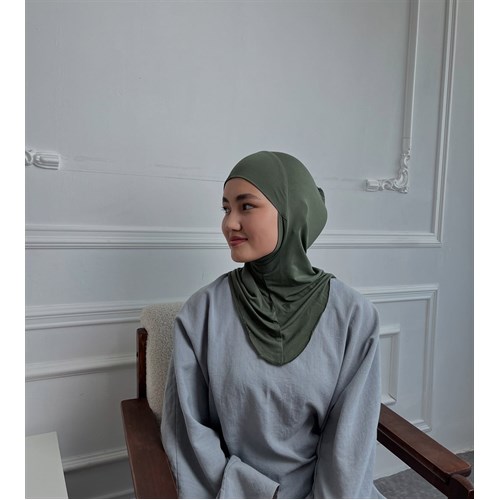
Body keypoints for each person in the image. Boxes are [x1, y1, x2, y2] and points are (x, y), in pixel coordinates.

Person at [160, 151, 383, 498]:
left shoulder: (354, 316)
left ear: (292, 210)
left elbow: (350, 443)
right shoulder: (202, 313)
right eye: (226, 208)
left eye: (246, 206)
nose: (230, 223)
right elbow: (188, 430)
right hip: (231, 491)